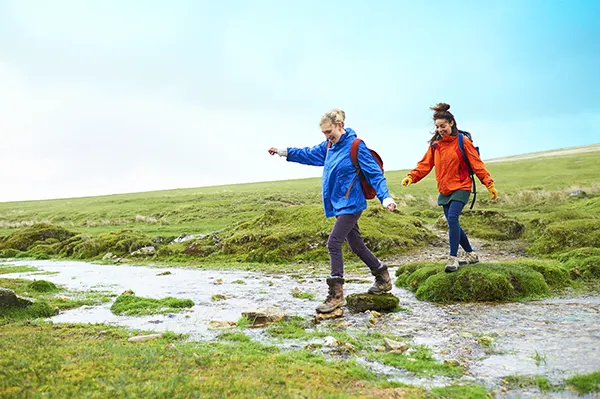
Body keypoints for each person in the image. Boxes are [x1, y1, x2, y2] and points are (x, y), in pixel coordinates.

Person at [268, 109, 397, 313]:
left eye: (329, 131)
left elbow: (374, 174)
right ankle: (382, 276)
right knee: (356, 245)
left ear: (340, 125)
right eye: (324, 133)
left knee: (333, 242)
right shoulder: (329, 146)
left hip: (352, 204)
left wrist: (385, 198)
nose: (327, 136)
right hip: (338, 204)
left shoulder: (356, 146)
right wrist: (284, 151)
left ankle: (337, 294)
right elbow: (308, 154)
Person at [401, 103, 498, 273]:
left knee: (452, 219)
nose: (440, 129)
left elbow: (477, 164)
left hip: (462, 186)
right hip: (445, 190)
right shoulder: (435, 145)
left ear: (451, 123)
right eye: (437, 127)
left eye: (443, 126)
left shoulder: (463, 141)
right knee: (453, 223)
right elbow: (425, 164)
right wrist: (412, 176)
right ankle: (471, 254)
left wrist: (489, 184)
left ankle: (452, 258)